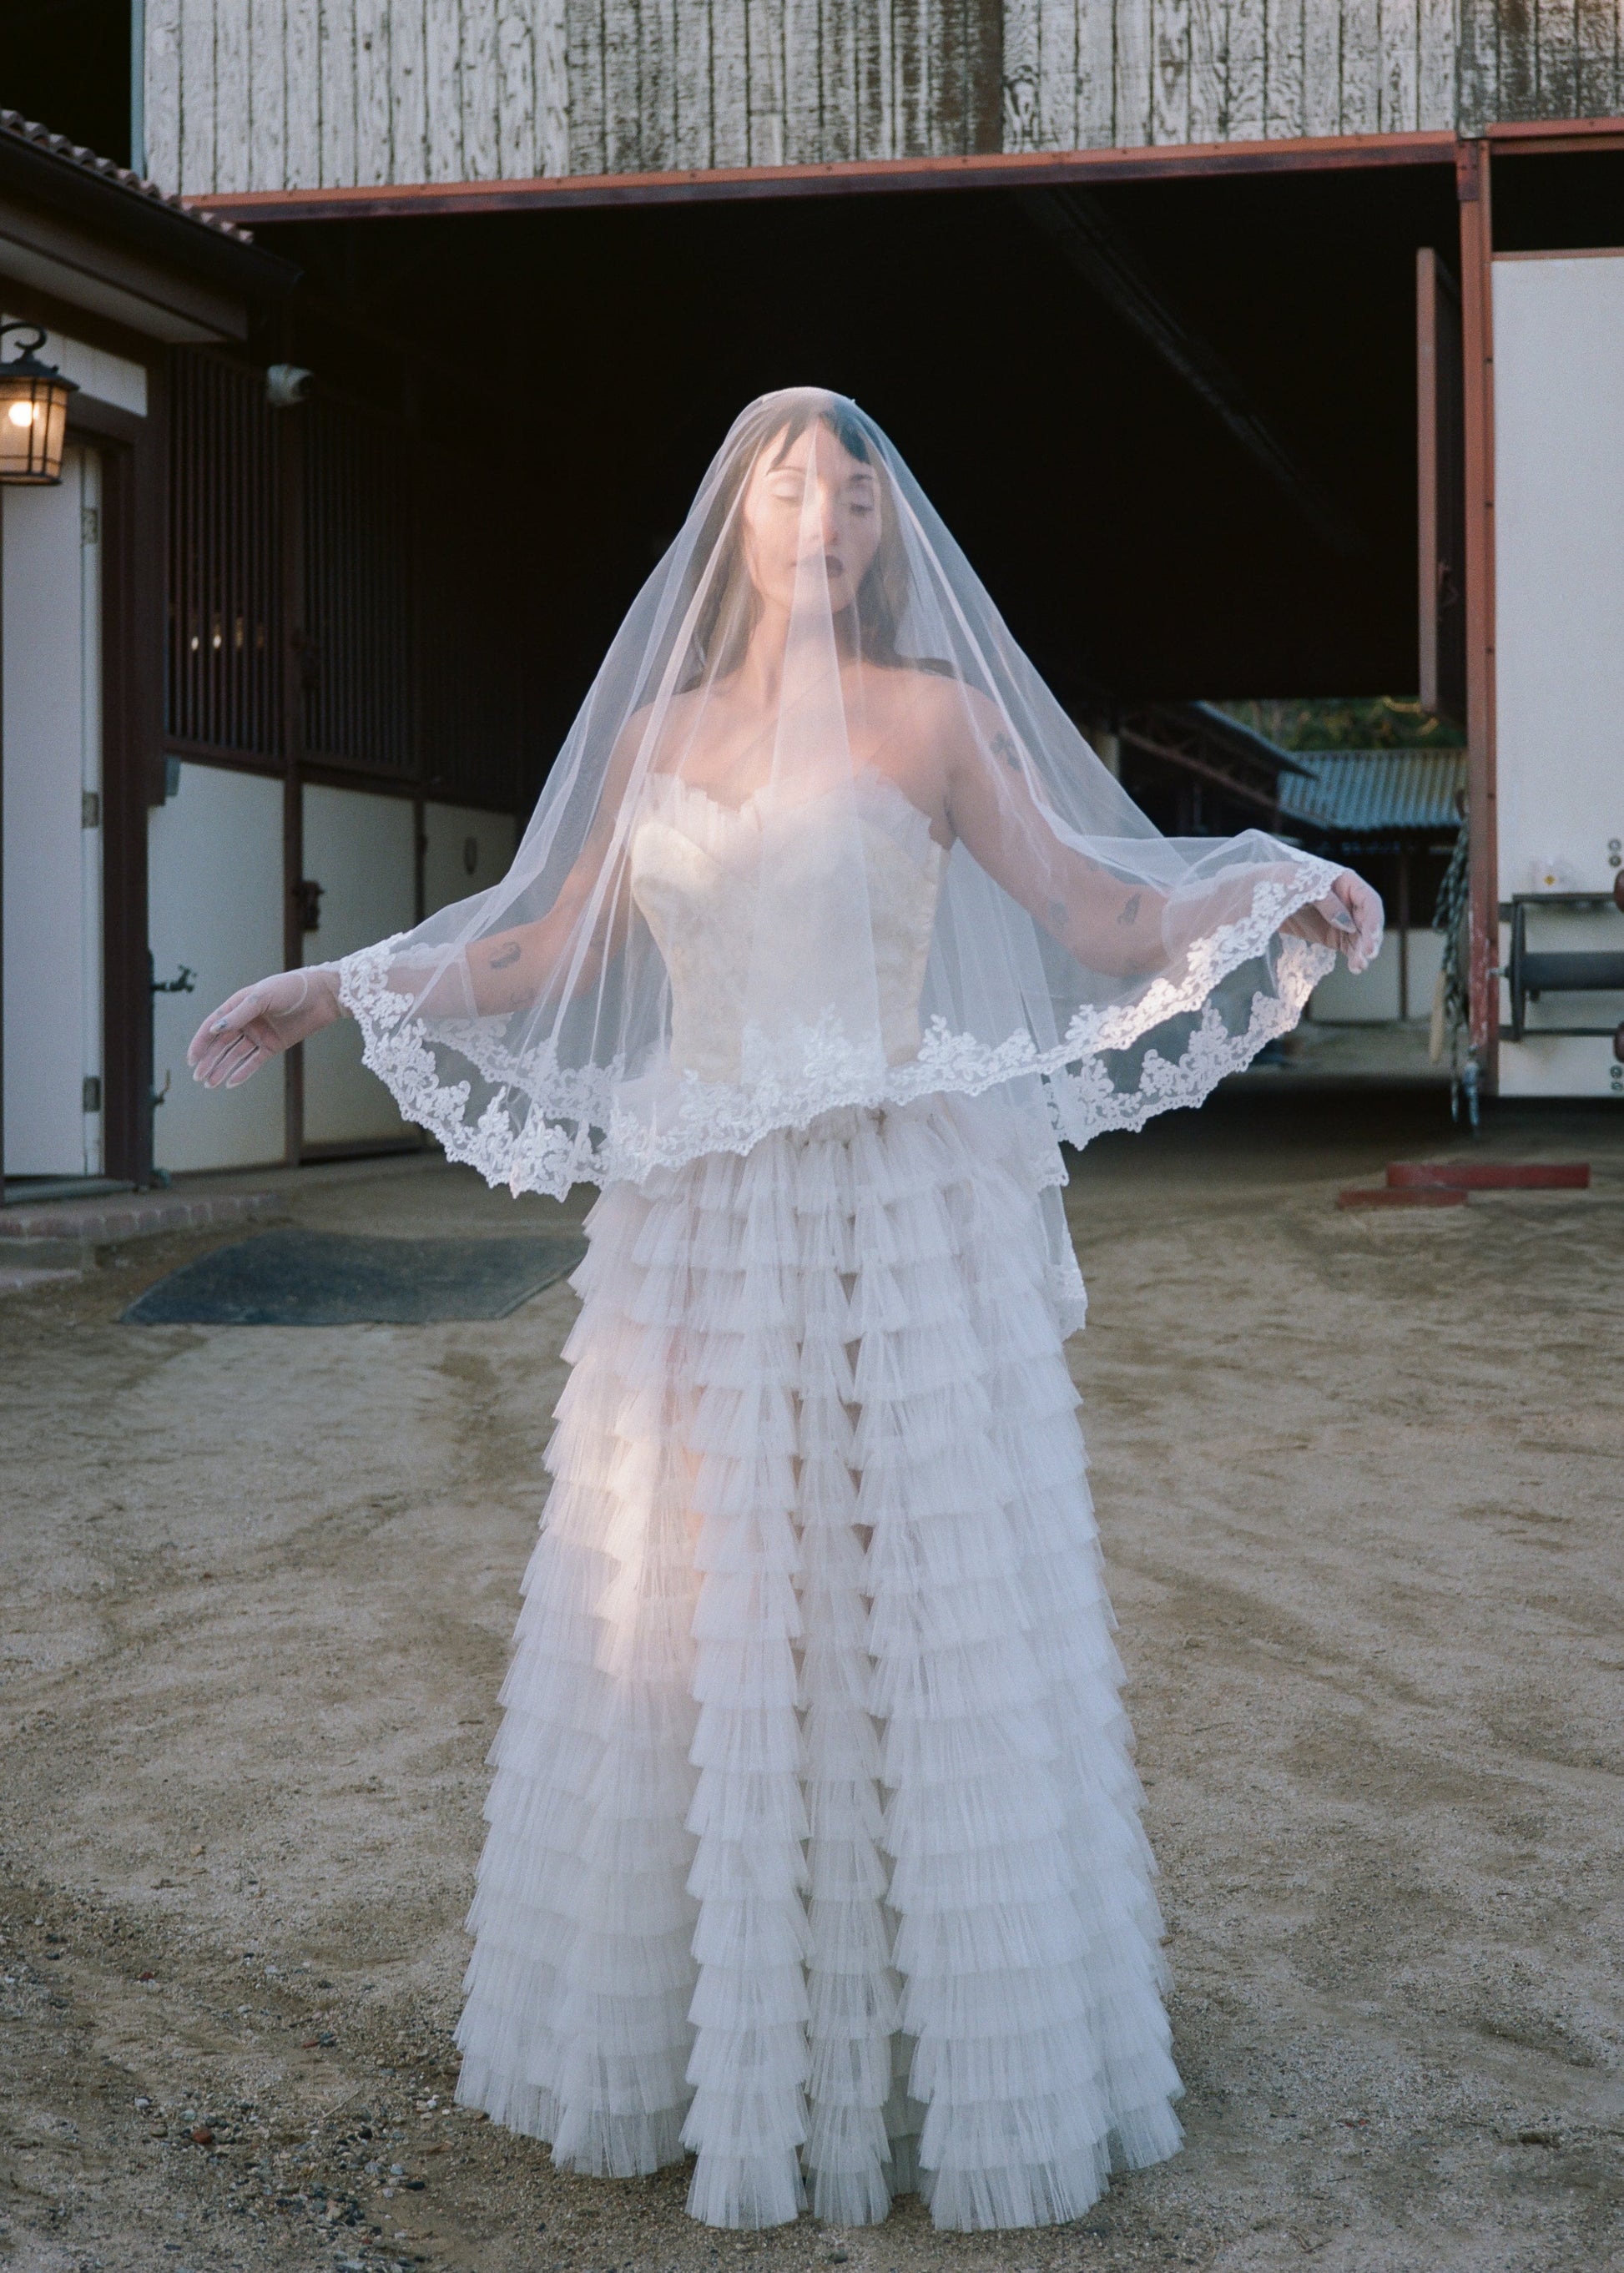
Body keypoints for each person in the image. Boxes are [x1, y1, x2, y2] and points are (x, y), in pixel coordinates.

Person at [189, 388, 1380, 2235]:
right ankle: (708, 2045)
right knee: (702, 1598)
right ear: (733, 523)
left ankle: (949, 2048)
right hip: (696, 1222)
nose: (820, 511)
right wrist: (329, 988)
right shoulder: (660, 731)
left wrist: (1266, 888)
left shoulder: (936, 722)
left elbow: (1092, 910)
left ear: (877, 534)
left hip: (895, 1218)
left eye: (851, 490)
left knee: (912, 1595)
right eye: (786, 484)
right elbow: (530, 950)